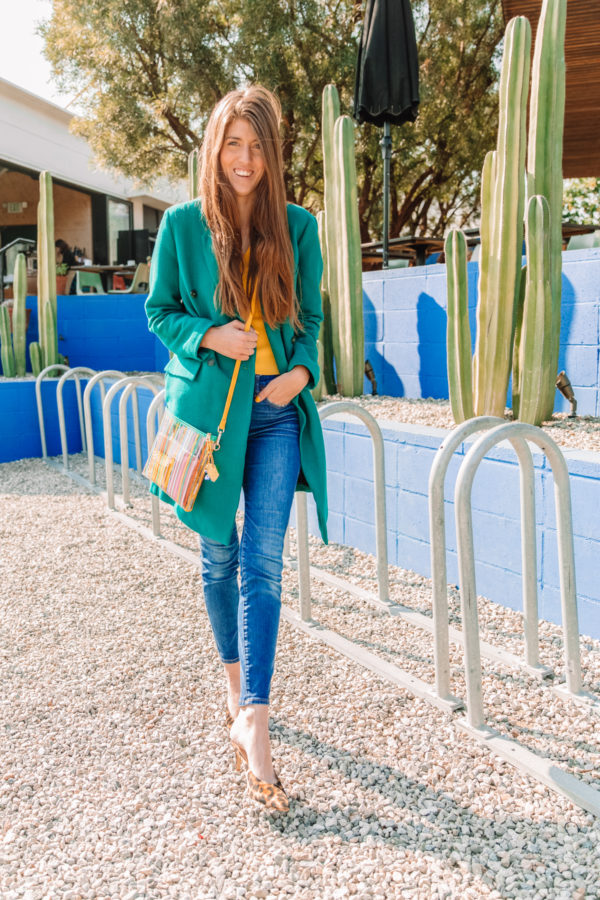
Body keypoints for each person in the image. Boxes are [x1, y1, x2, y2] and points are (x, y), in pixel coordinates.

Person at [145, 85, 328, 812]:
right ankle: (232, 684)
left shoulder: (299, 226)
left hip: (274, 414)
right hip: (206, 421)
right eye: (232, 144)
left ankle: (255, 715)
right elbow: (159, 311)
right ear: (214, 149)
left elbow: (312, 321)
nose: (244, 159)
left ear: (271, 154)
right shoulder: (183, 226)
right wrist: (209, 335)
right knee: (217, 554)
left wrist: (299, 376)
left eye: (256, 146)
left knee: (262, 562)